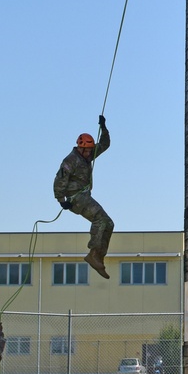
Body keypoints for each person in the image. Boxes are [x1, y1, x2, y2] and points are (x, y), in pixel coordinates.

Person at [53, 117, 113, 278]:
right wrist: (61, 201)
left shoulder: (88, 155)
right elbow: (59, 180)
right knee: (100, 219)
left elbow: (105, 145)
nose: (88, 154)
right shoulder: (70, 160)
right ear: (80, 148)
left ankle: (98, 256)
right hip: (75, 198)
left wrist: (104, 127)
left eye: (90, 151)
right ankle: (93, 253)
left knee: (109, 223)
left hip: (84, 195)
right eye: (86, 151)